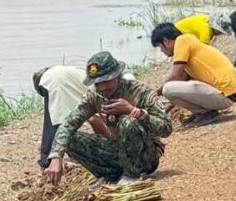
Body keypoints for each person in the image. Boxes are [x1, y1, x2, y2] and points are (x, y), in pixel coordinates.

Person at [42, 52, 171, 186]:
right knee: (70, 139)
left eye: (106, 81)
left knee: (128, 122)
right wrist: (56, 156)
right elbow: (69, 123)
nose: (102, 88)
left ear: (118, 76)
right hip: (118, 150)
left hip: (146, 155)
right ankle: (110, 175)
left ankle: (132, 174)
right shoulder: (94, 95)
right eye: (98, 83)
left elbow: (166, 128)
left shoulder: (140, 92)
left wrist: (134, 112)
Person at [150, 22, 236, 124]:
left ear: (166, 41)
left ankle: (205, 112)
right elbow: (177, 93)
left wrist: (153, 94)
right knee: (170, 89)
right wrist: (162, 113)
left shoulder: (182, 41)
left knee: (167, 88)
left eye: (160, 47)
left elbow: (174, 77)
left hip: (225, 94)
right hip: (229, 93)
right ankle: (202, 113)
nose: (162, 51)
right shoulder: (188, 45)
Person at [33, 65, 89, 170]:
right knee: (56, 122)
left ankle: (49, 160)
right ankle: (49, 161)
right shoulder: (74, 73)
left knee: (56, 121)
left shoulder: (54, 76)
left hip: (57, 80)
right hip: (59, 81)